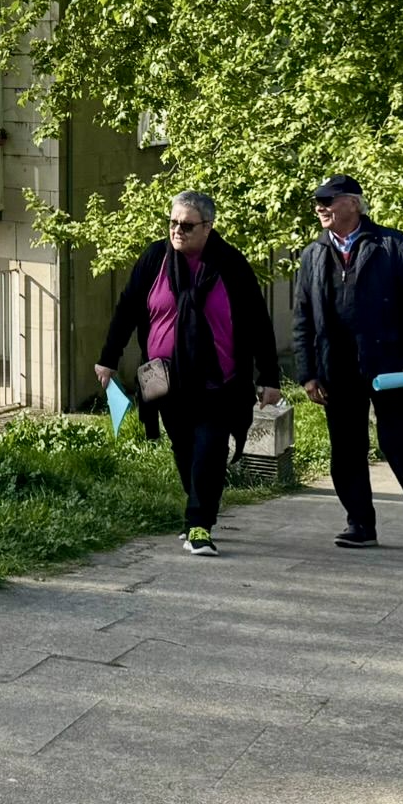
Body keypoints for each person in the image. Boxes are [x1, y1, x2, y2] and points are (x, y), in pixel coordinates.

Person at [96, 191, 281, 557]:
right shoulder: (155, 258)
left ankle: (199, 524)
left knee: (210, 449)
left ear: (208, 228)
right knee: (184, 451)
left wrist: (270, 376)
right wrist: (108, 358)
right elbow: (128, 308)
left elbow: (258, 321)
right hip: (167, 383)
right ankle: (199, 502)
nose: (177, 230)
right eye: (173, 223)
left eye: (187, 225)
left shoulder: (230, 264)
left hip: (219, 383)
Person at [292, 174, 403, 552]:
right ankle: (360, 523)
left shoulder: (391, 245)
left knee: (400, 446)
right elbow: (303, 319)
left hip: (389, 366)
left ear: (354, 204)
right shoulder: (312, 254)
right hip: (336, 370)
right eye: (318, 201)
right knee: (346, 450)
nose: (321, 207)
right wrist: (308, 374)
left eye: (330, 200)